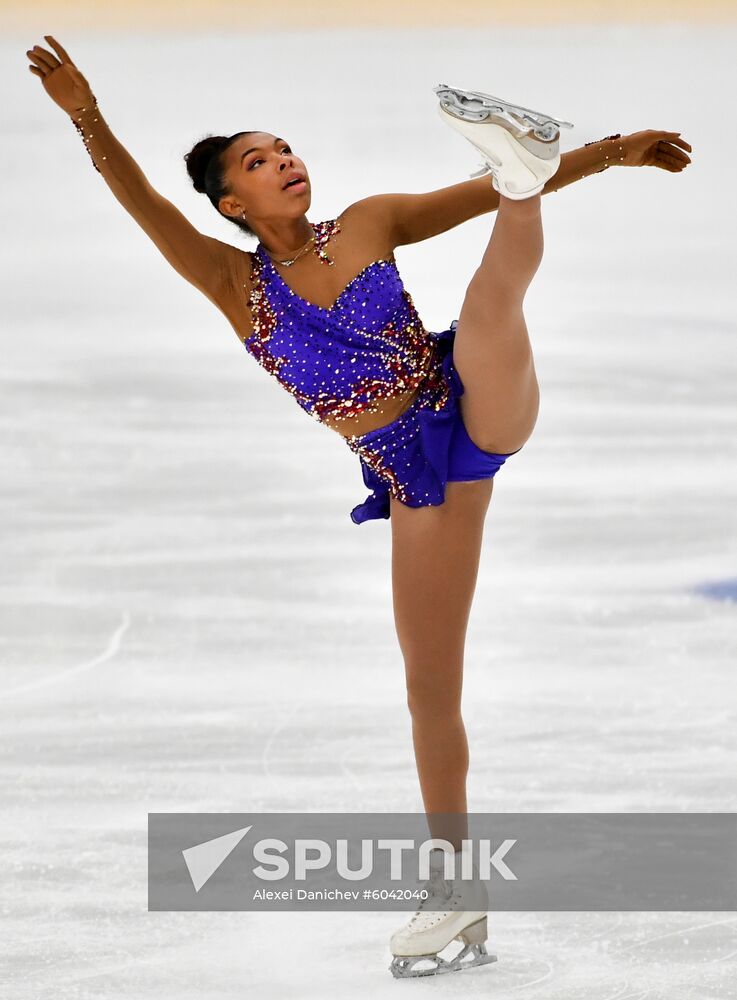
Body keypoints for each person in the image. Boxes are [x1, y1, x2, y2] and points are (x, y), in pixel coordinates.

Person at [26, 36, 692, 978]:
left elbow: (461, 205)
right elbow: (138, 205)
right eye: (258, 162)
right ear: (231, 204)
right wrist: (85, 115)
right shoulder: (233, 283)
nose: (284, 162)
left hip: (471, 393)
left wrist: (612, 150)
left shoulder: (372, 221)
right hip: (411, 474)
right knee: (429, 684)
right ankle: (454, 884)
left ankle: (521, 170)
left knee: (492, 295)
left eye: (286, 148)